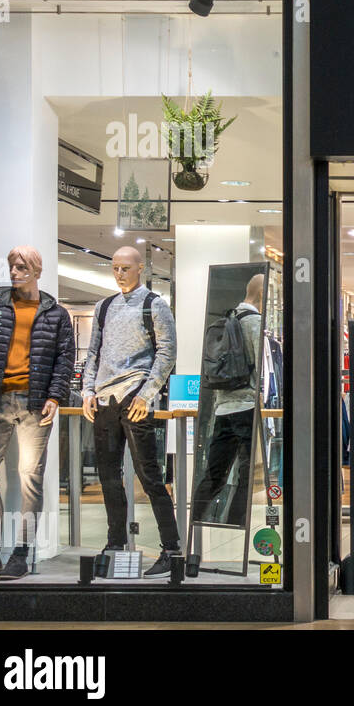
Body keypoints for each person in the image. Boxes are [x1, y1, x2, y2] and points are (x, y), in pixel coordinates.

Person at [0, 246, 74, 579]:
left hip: (35, 404)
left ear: (37, 270)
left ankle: (21, 553)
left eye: (22, 266)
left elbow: (64, 360)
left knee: (29, 478)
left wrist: (56, 395)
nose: (14, 272)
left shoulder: (56, 314)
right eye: (12, 266)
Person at [81, 246, 179, 577]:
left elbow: (167, 352)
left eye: (125, 267)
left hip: (136, 397)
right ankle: (115, 543)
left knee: (149, 475)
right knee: (108, 476)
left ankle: (172, 548)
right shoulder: (104, 306)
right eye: (115, 267)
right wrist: (87, 391)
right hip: (105, 401)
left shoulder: (155, 304)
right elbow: (93, 351)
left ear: (140, 269)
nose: (119, 273)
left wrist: (147, 393)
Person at [191, 273, 264, 525]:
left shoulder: (226, 320)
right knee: (246, 473)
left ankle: (195, 522)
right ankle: (235, 521)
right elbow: (261, 368)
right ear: (263, 294)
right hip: (246, 406)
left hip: (223, 407)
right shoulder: (254, 322)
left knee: (214, 473)